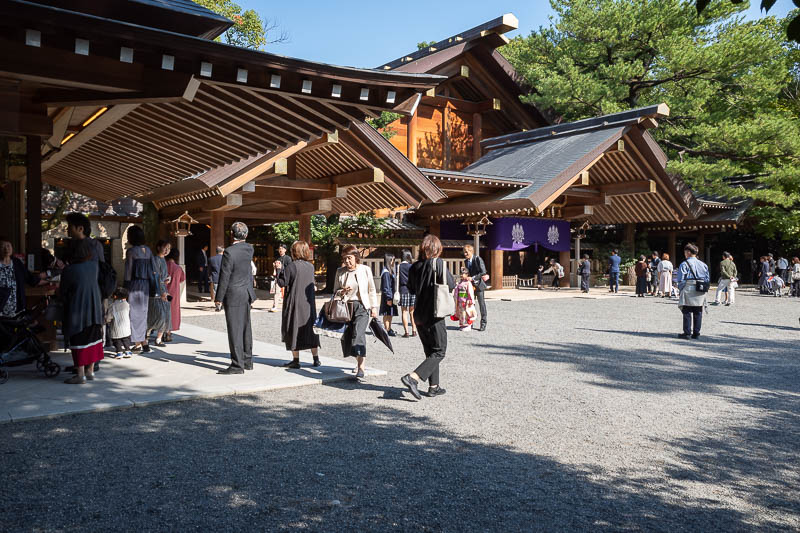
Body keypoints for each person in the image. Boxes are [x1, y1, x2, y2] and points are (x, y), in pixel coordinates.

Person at [401, 234, 455, 400]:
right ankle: (413, 377)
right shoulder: (438, 263)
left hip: (418, 314)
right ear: (437, 249)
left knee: (431, 352)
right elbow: (451, 284)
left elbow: (410, 288)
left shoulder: (415, 266)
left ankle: (434, 386)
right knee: (439, 351)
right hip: (435, 312)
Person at [214, 222, 257, 374]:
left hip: (233, 293)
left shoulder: (229, 252)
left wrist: (218, 298)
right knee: (246, 327)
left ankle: (237, 364)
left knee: (235, 329)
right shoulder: (249, 249)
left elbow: (224, 276)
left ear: (231, 234)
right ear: (245, 235)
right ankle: (247, 360)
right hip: (246, 292)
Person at [60, 239, 104, 384]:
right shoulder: (94, 266)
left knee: (78, 341)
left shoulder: (69, 270)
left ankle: (80, 375)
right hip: (95, 309)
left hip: (77, 310)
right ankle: (90, 371)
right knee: (93, 340)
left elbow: (63, 292)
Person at [332, 245, 378, 379]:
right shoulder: (340, 271)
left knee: (359, 334)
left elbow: (371, 289)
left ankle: (361, 368)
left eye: (350, 258)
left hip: (362, 306)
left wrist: (374, 307)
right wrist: (342, 291)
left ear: (356, 257)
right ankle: (357, 361)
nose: (347, 261)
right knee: (349, 335)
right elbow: (335, 290)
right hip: (346, 306)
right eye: (345, 259)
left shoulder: (365, 270)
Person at [275, 240, 320, 369]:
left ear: (294, 252)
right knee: (311, 331)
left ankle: (296, 360)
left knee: (293, 329)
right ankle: (316, 359)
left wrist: (278, 270)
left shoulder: (292, 266)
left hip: (294, 303)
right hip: (308, 304)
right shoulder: (310, 266)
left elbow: (283, 283)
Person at [123, 225, 155, 353]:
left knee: (133, 314)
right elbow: (153, 270)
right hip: (146, 285)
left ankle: (137, 343)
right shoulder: (148, 250)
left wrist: (125, 287)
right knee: (143, 313)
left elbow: (128, 271)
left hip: (134, 285)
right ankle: (144, 342)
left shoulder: (131, 252)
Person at [0, 237, 45, 317]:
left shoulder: (17, 263)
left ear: (12, 248)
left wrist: (49, 281)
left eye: (8, 246)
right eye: (2, 246)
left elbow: (30, 278)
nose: (6, 249)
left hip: (17, 307)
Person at [675, 243, 710, 340]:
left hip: (688, 287)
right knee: (698, 311)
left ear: (688, 252)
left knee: (686, 310)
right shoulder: (703, 264)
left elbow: (681, 279)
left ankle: (687, 333)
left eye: (685, 252)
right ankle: (696, 333)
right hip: (700, 288)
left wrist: (681, 289)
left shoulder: (684, 264)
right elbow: (707, 279)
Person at [146, 240, 171, 347]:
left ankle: (159, 338)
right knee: (154, 314)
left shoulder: (163, 260)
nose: (167, 251)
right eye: (165, 248)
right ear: (158, 247)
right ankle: (146, 337)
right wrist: (161, 290)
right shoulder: (155, 259)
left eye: (169, 249)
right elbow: (155, 277)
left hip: (163, 289)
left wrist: (166, 279)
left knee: (165, 315)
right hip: (156, 290)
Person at [463, 244, 488, 330]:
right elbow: (467, 272)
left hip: (479, 285)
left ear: (471, 251)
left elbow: (483, 271)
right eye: (464, 252)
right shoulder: (466, 261)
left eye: (466, 252)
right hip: (470, 286)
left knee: (481, 304)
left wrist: (472, 278)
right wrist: (465, 276)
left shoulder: (478, 259)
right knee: (469, 304)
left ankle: (483, 323)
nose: (465, 254)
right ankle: (470, 322)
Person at [106, 287, 132, 359]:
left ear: (115, 296)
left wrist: (107, 320)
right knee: (126, 339)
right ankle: (127, 350)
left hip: (116, 327)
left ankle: (119, 352)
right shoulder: (126, 304)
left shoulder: (112, 306)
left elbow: (109, 316)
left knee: (117, 340)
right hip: (126, 327)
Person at [165, 248, 185, 340]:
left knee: (162, 311)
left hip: (163, 292)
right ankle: (168, 332)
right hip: (174, 293)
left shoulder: (163, 265)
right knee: (172, 312)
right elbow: (182, 279)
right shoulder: (178, 268)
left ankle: (161, 332)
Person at [397, 249, 416, 338]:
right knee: (412, 312)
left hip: (403, 289)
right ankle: (414, 330)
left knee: (404, 311)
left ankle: (406, 332)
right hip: (412, 290)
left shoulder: (399, 266)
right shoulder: (412, 266)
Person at [379, 253, 398, 336]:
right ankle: (387, 329)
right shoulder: (386, 272)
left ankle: (389, 328)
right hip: (388, 296)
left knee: (390, 313)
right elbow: (386, 287)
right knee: (387, 313)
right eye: (393, 260)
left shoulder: (389, 270)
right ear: (389, 261)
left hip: (390, 295)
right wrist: (389, 298)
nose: (394, 261)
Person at [452, 267, 476, 331]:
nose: (462, 275)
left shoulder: (468, 283)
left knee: (466, 313)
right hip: (460, 300)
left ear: (467, 275)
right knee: (461, 313)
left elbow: (470, 292)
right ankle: (462, 324)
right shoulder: (460, 282)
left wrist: (471, 300)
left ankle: (468, 325)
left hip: (466, 301)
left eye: (464, 274)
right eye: (461, 274)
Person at [270, 244, 292, 312]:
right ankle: (275, 306)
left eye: (282, 249)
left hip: (286, 277)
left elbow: (290, 268)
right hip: (279, 277)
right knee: (276, 292)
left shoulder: (288, 258)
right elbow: (276, 268)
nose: (280, 250)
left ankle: (289, 306)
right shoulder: (277, 258)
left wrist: (281, 267)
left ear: (285, 250)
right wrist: (274, 270)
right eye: (279, 249)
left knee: (288, 291)